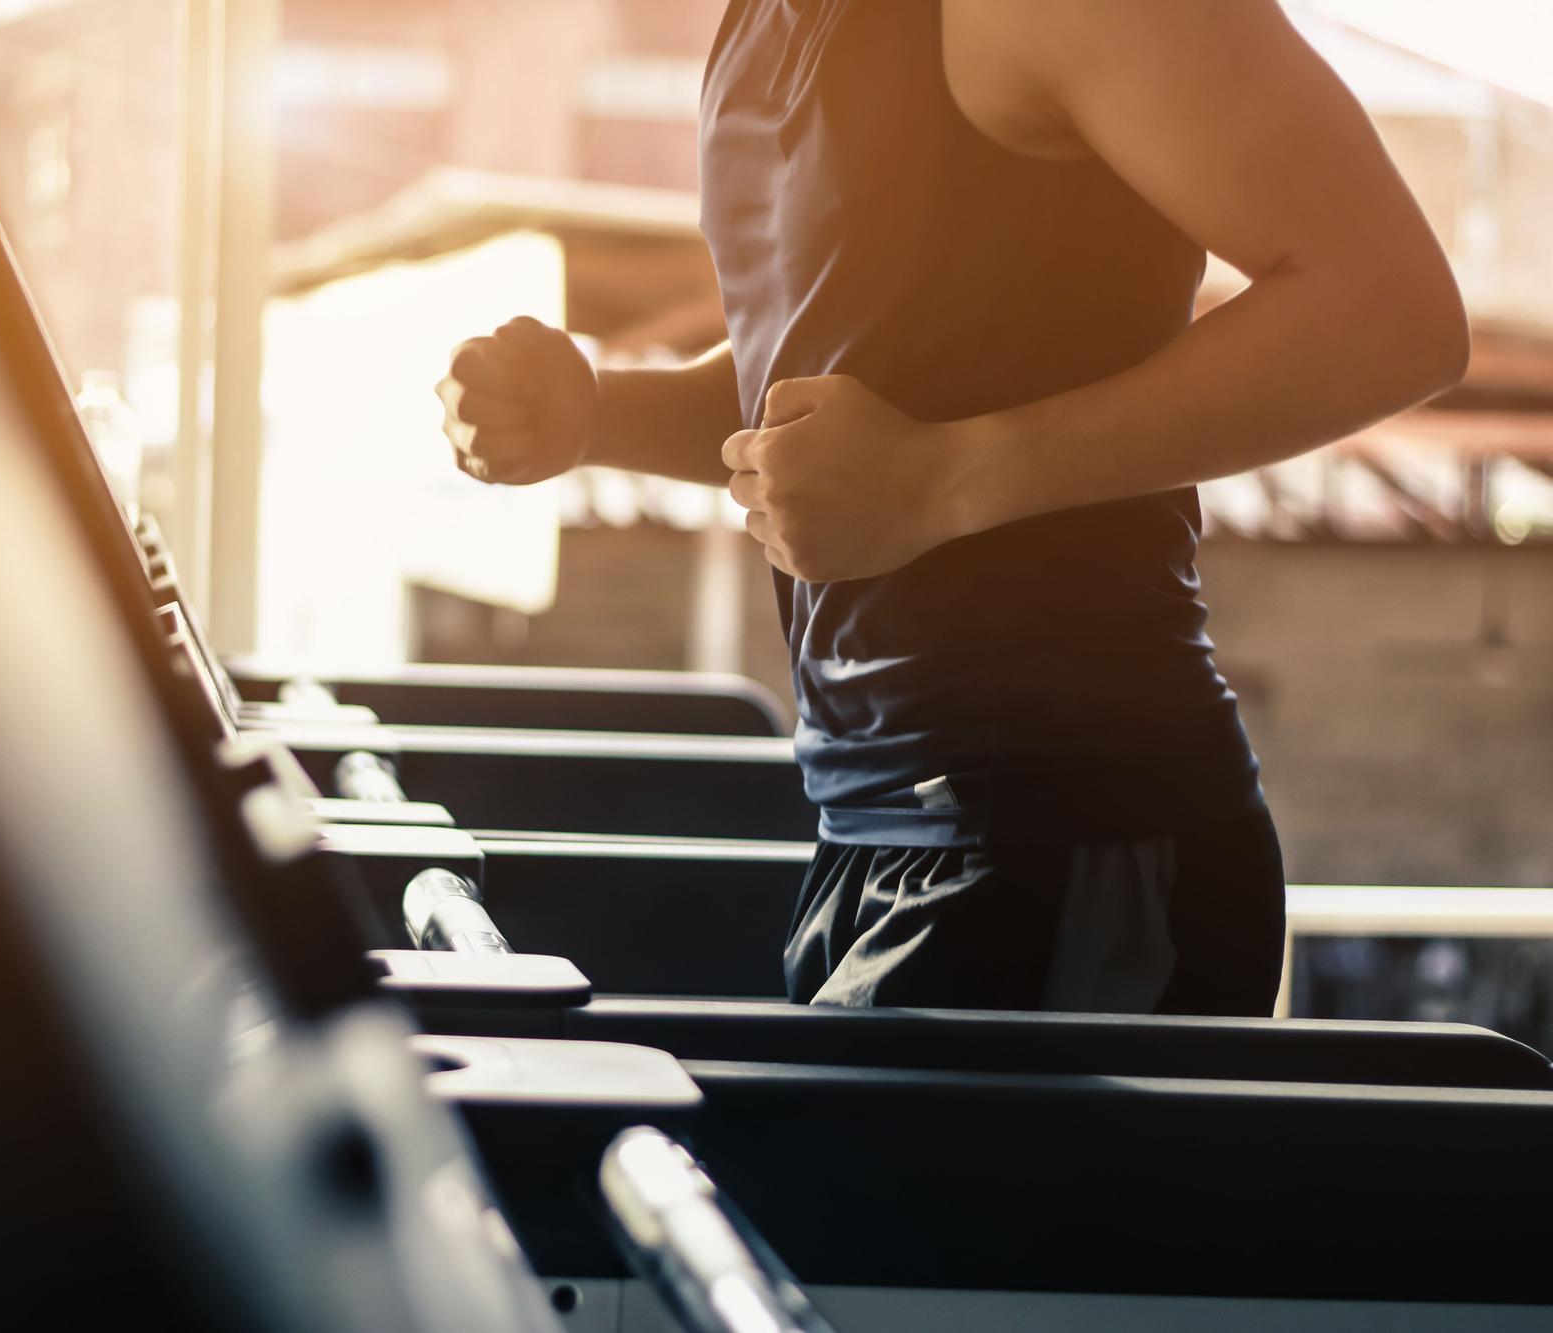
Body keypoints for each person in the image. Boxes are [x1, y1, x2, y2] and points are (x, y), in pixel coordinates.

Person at [434, 0, 1467, 1015]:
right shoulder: (763, 24)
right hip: (864, 829)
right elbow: (832, 383)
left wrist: (941, 480)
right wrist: (591, 414)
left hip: (1068, 824)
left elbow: (1390, 311)